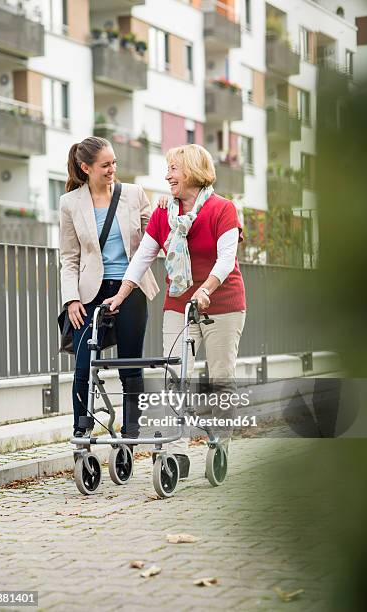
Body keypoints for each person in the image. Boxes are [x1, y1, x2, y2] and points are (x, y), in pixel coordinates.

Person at [104, 144, 247, 478]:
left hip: (223, 303)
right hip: (178, 303)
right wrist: (121, 295)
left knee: (220, 378)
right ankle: (176, 452)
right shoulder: (164, 214)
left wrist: (206, 289)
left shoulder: (222, 209)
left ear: (193, 171)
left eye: (173, 169)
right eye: (167, 168)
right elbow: (143, 257)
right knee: (175, 376)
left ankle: (219, 443)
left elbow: (227, 259)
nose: (167, 175)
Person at [59, 136, 159, 441]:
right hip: (90, 293)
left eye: (114, 162)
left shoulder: (133, 194)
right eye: (105, 165)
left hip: (131, 288)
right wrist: (71, 300)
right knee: (83, 363)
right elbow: (68, 257)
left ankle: (131, 430)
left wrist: (168, 211)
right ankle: (81, 428)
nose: (112, 169)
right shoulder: (70, 203)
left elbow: (156, 235)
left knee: (130, 363)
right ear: (86, 167)